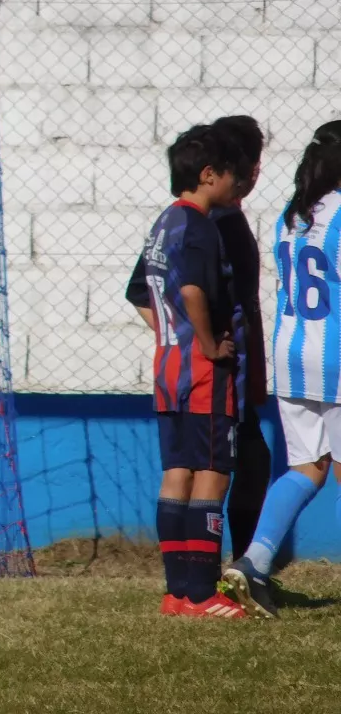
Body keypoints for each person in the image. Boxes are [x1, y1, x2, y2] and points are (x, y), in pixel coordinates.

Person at [125, 124, 246, 619]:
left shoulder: (165, 223)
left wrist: (172, 333)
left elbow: (138, 293)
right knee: (212, 474)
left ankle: (176, 593)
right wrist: (207, 343)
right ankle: (201, 593)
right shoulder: (199, 227)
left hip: (168, 368)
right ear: (209, 174)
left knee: (177, 472)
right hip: (202, 374)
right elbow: (194, 290)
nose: (240, 184)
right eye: (234, 174)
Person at [225, 121, 341, 619]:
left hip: (293, 356)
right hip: (336, 355)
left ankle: (252, 564)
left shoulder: (291, 216)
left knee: (307, 467)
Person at [209, 115, 271, 562]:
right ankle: (217, 567)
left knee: (251, 458)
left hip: (240, 367)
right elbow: (146, 291)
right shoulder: (208, 224)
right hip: (221, 370)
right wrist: (202, 344)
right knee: (223, 467)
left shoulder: (226, 217)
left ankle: (239, 565)